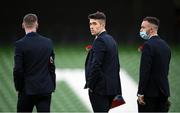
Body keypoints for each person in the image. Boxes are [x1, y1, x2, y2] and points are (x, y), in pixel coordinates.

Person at [13, 13, 56, 112]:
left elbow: (18, 69)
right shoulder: (48, 42)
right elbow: (51, 66)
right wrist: (52, 86)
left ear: (23, 25)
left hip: (27, 90)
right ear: (37, 24)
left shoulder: (20, 45)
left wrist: (18, 87)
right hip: (45, 90)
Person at [84, 11, 122, 112]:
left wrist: (91, 85)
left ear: (102, 24)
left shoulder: (100, 41)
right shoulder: (111, 39)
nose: (91, 26)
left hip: (100, 90)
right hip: (111, 89)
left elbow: (96, 65)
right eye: (90, 24)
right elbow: (116, 65)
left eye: (94, 23)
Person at [137, 16, 171, 112]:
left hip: (150, 94)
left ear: (151, 29)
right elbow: (165, 71)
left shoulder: (148, 45)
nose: (141, 30)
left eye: (143, 27)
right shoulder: (166, 46)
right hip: (164, 93)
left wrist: (140, 93)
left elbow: (144, 72)